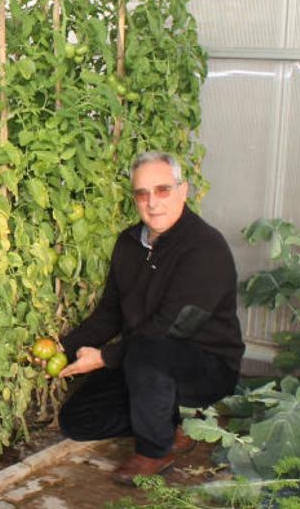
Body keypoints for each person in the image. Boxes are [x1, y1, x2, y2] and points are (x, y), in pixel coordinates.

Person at [56, 151, 245, 484]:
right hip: (143, 363)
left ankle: (154, 450)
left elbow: (174, 326)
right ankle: (168, 425)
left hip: (206, 365)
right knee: (78, 420)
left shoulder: (205, 248)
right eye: (142, 194)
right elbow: (110, 313)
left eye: (162, 190)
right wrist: (64, 348)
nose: (152, 202)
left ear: (182, 191)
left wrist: (104, 357)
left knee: (149, 348)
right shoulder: (129, 244)